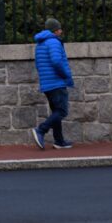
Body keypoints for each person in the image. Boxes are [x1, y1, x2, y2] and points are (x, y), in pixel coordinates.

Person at [31, 17, 75, 150]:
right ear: (55, 30)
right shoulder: (53, 42)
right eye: (59, 29)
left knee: (56, 111)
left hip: (47, 83)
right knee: (61, 111)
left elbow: (38, 64)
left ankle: (59, 141)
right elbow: (56, 61)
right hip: (56, 82)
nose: (61, 31)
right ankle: (41, 130)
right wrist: (65, 75)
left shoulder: (41, 43)